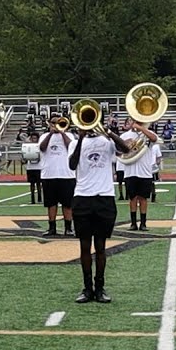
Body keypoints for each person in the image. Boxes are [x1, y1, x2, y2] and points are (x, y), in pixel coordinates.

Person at [68, 124, 132, 303]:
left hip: (104, 197)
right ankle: (87, 288)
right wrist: (80, 138)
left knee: (101, 246)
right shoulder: (74, 143)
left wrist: (109, 132)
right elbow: (72, 165)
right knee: (84, 246)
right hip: (82, 197)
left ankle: (100, 287)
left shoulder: (106, 141)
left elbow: (126, 149)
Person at [120, 119, 160, 231]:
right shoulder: (124, 135)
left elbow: (155, 139)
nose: (135, 123)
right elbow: (119, 150)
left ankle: (143, 223)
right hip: (130, 172)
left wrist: (142, 129)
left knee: (143, 198)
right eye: (133, 121)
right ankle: (133, 223)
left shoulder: (147, 133)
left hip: (145, 172)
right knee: (132, 198)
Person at [38, 121, 75, 237]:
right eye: (53, 123)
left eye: (58, 122)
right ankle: (52, 228)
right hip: (49, 174)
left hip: (66, 174)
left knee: (67, 204)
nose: (55, 125)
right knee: (51, 203)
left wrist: (62, 132)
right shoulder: (44, 136)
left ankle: (68, 228)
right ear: (49, 124)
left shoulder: (69, 135)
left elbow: (70, 146)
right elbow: (42, 148)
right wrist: (50, 134)